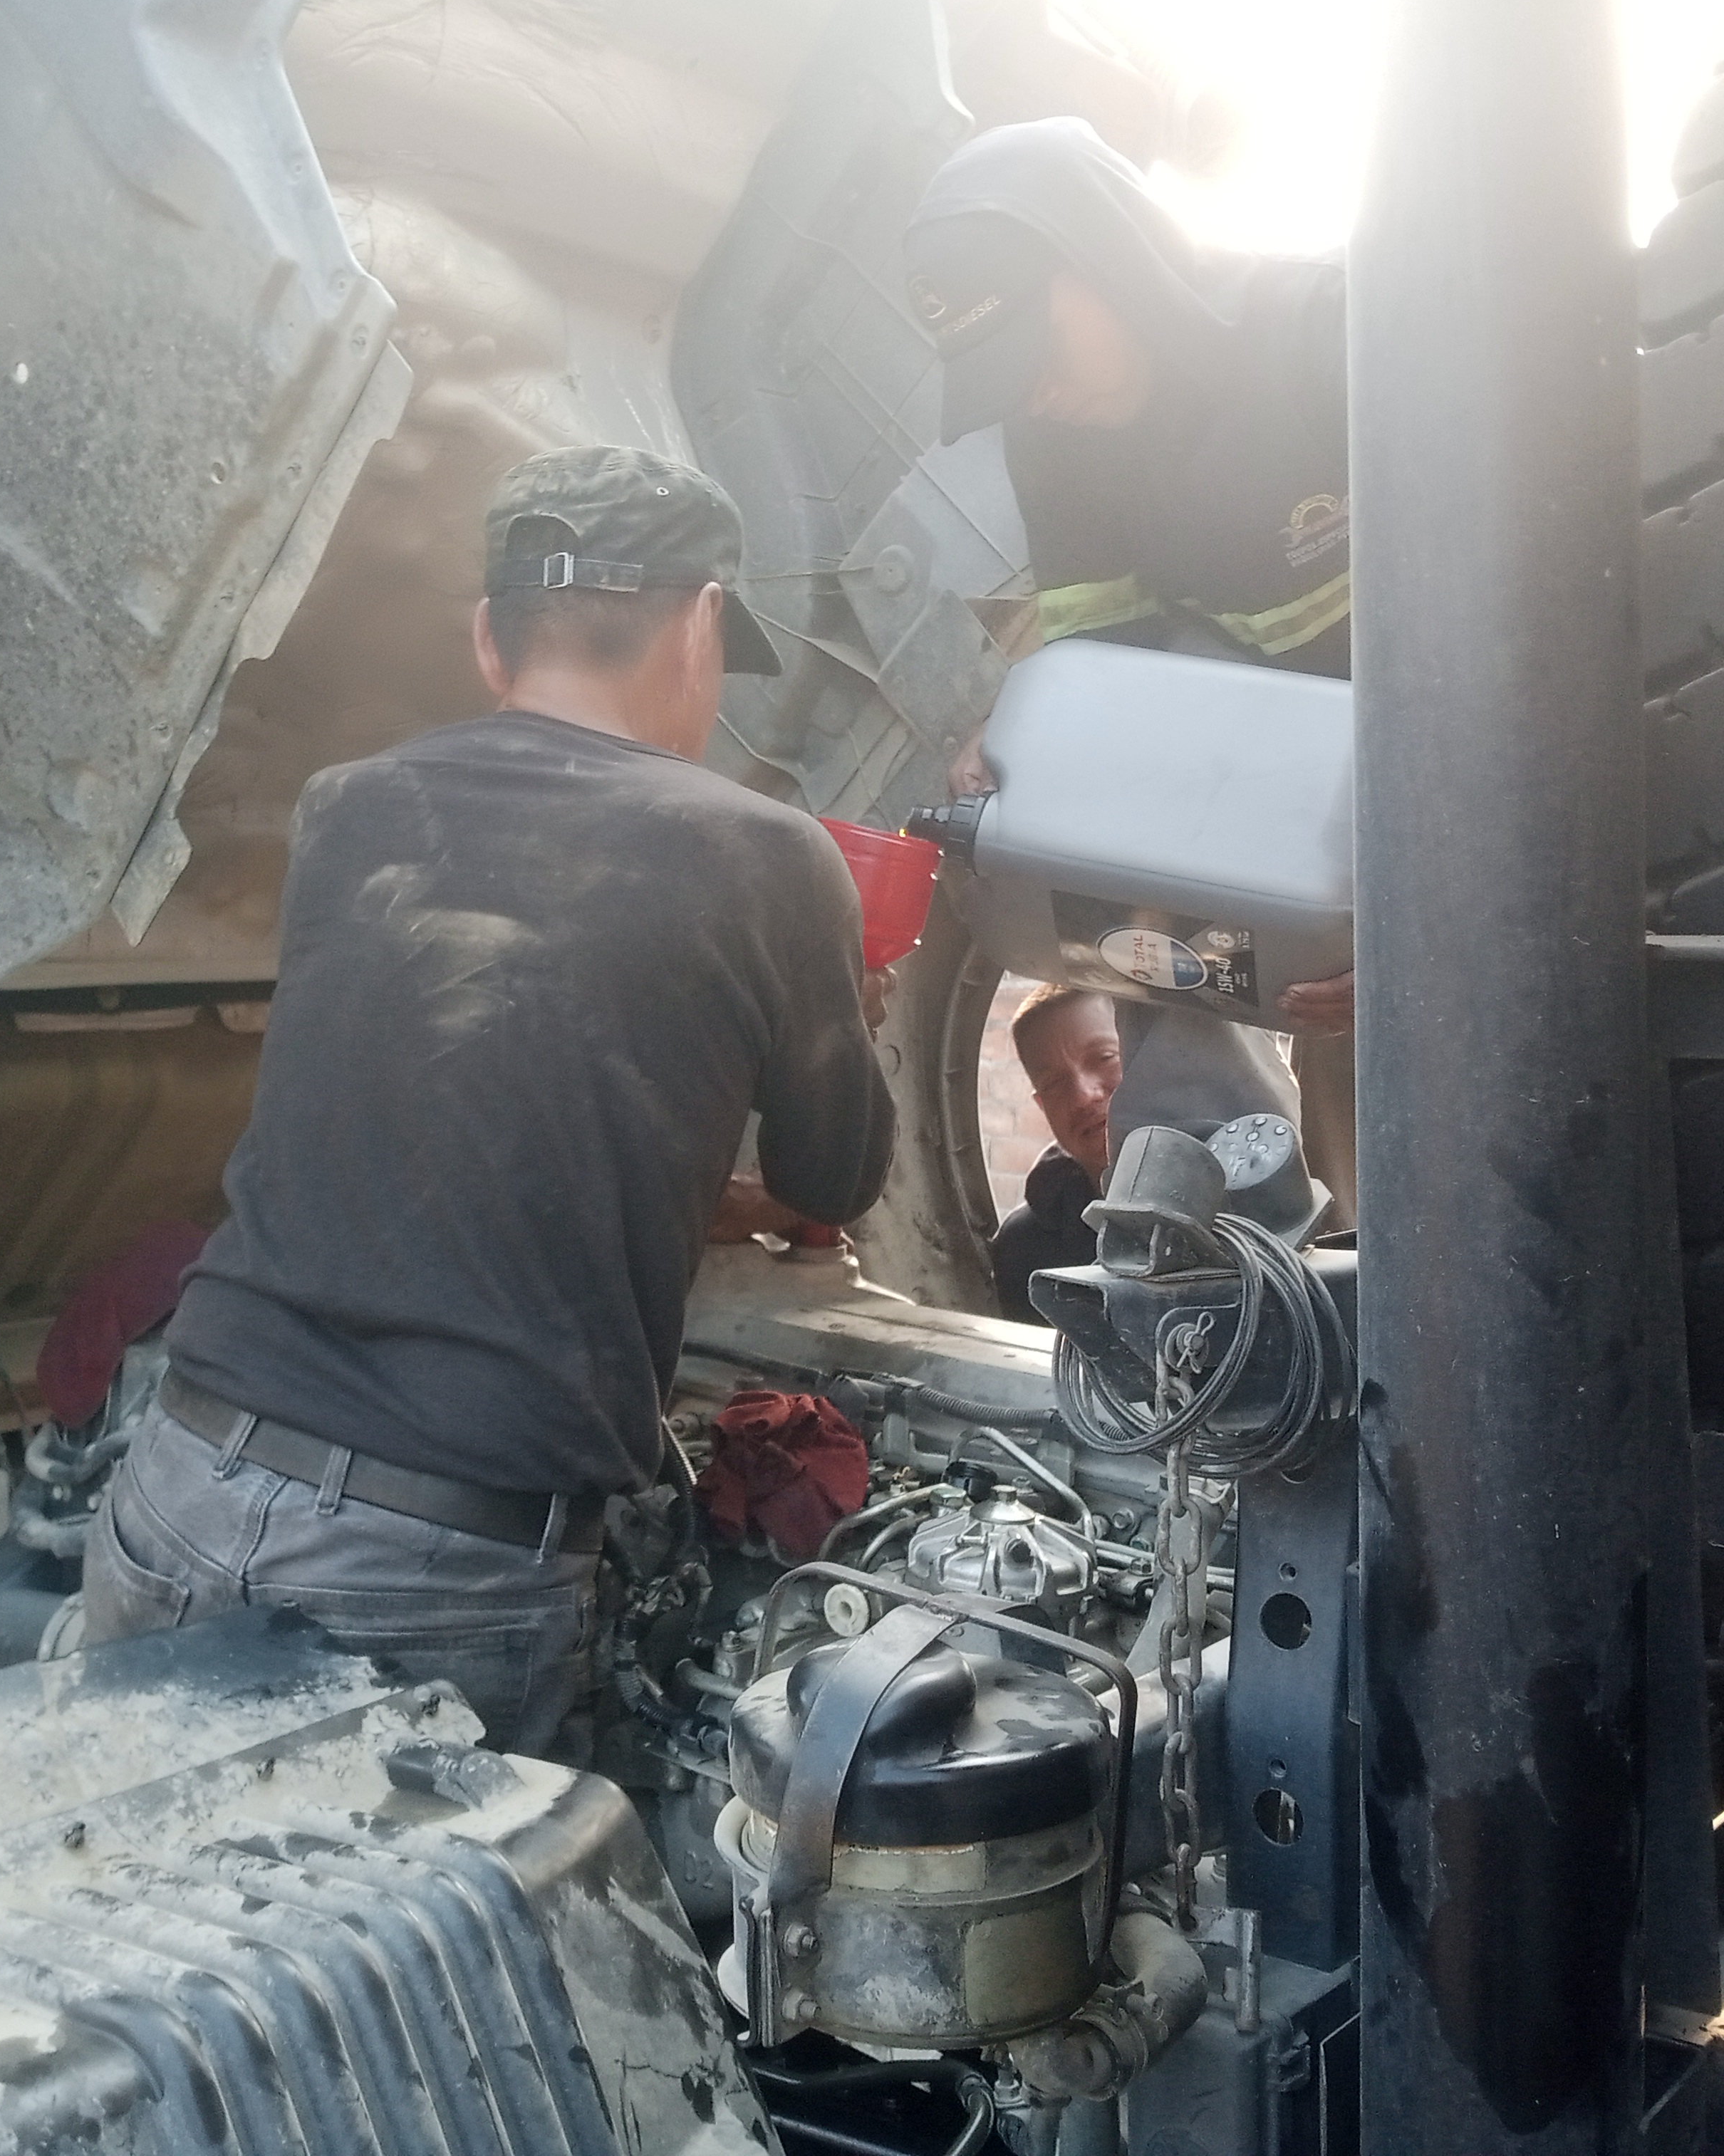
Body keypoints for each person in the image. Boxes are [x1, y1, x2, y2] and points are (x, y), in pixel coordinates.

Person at [83, 446, 896, 1758]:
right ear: (700, 623)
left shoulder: (350, 808)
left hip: (179, 1480)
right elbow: (833, 1178)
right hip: (432, 1567)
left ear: (487, 638)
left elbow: (460, 1125)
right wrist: (850, 1000)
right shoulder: (765, 854)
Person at [905, 117, 1354, 1219]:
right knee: (1129, 850)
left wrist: (1437, 908)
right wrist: (1029, 741)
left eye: (1039, 350)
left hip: (1448, 773)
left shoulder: (1330, 330)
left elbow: (1529, 643)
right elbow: (1100, 658)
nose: (1036, 393)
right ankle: (1209, 1218)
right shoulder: (1060, 439)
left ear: (1099, 254)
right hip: (1271, 815)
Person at [989, 982, 1120, 1323]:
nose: (1083, 1095)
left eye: (1104, 1058)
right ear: (1041, 1105)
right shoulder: (1024, 1249)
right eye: (1054, 1083)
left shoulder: (1239, 1202)